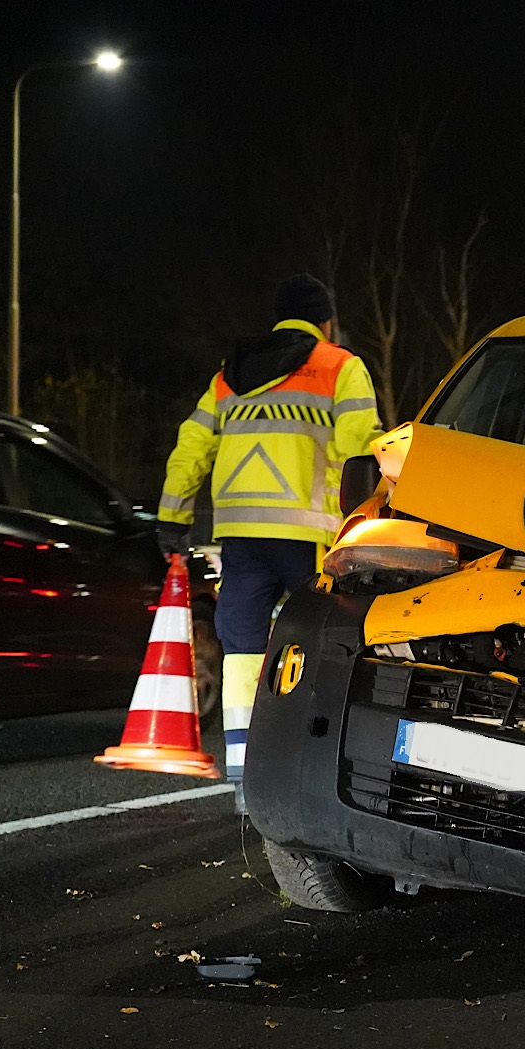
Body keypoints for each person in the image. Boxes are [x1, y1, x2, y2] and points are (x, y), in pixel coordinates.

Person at [156, 274, 381, 808]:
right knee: (321, 639)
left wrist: (172, 518)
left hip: (241, 534)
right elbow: (360, 448)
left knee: (242, 646)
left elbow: (191, 449)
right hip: (310, 533)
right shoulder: (339, 367)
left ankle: (244, 772)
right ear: (324, 320)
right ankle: (311, 764)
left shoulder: (228, 376)